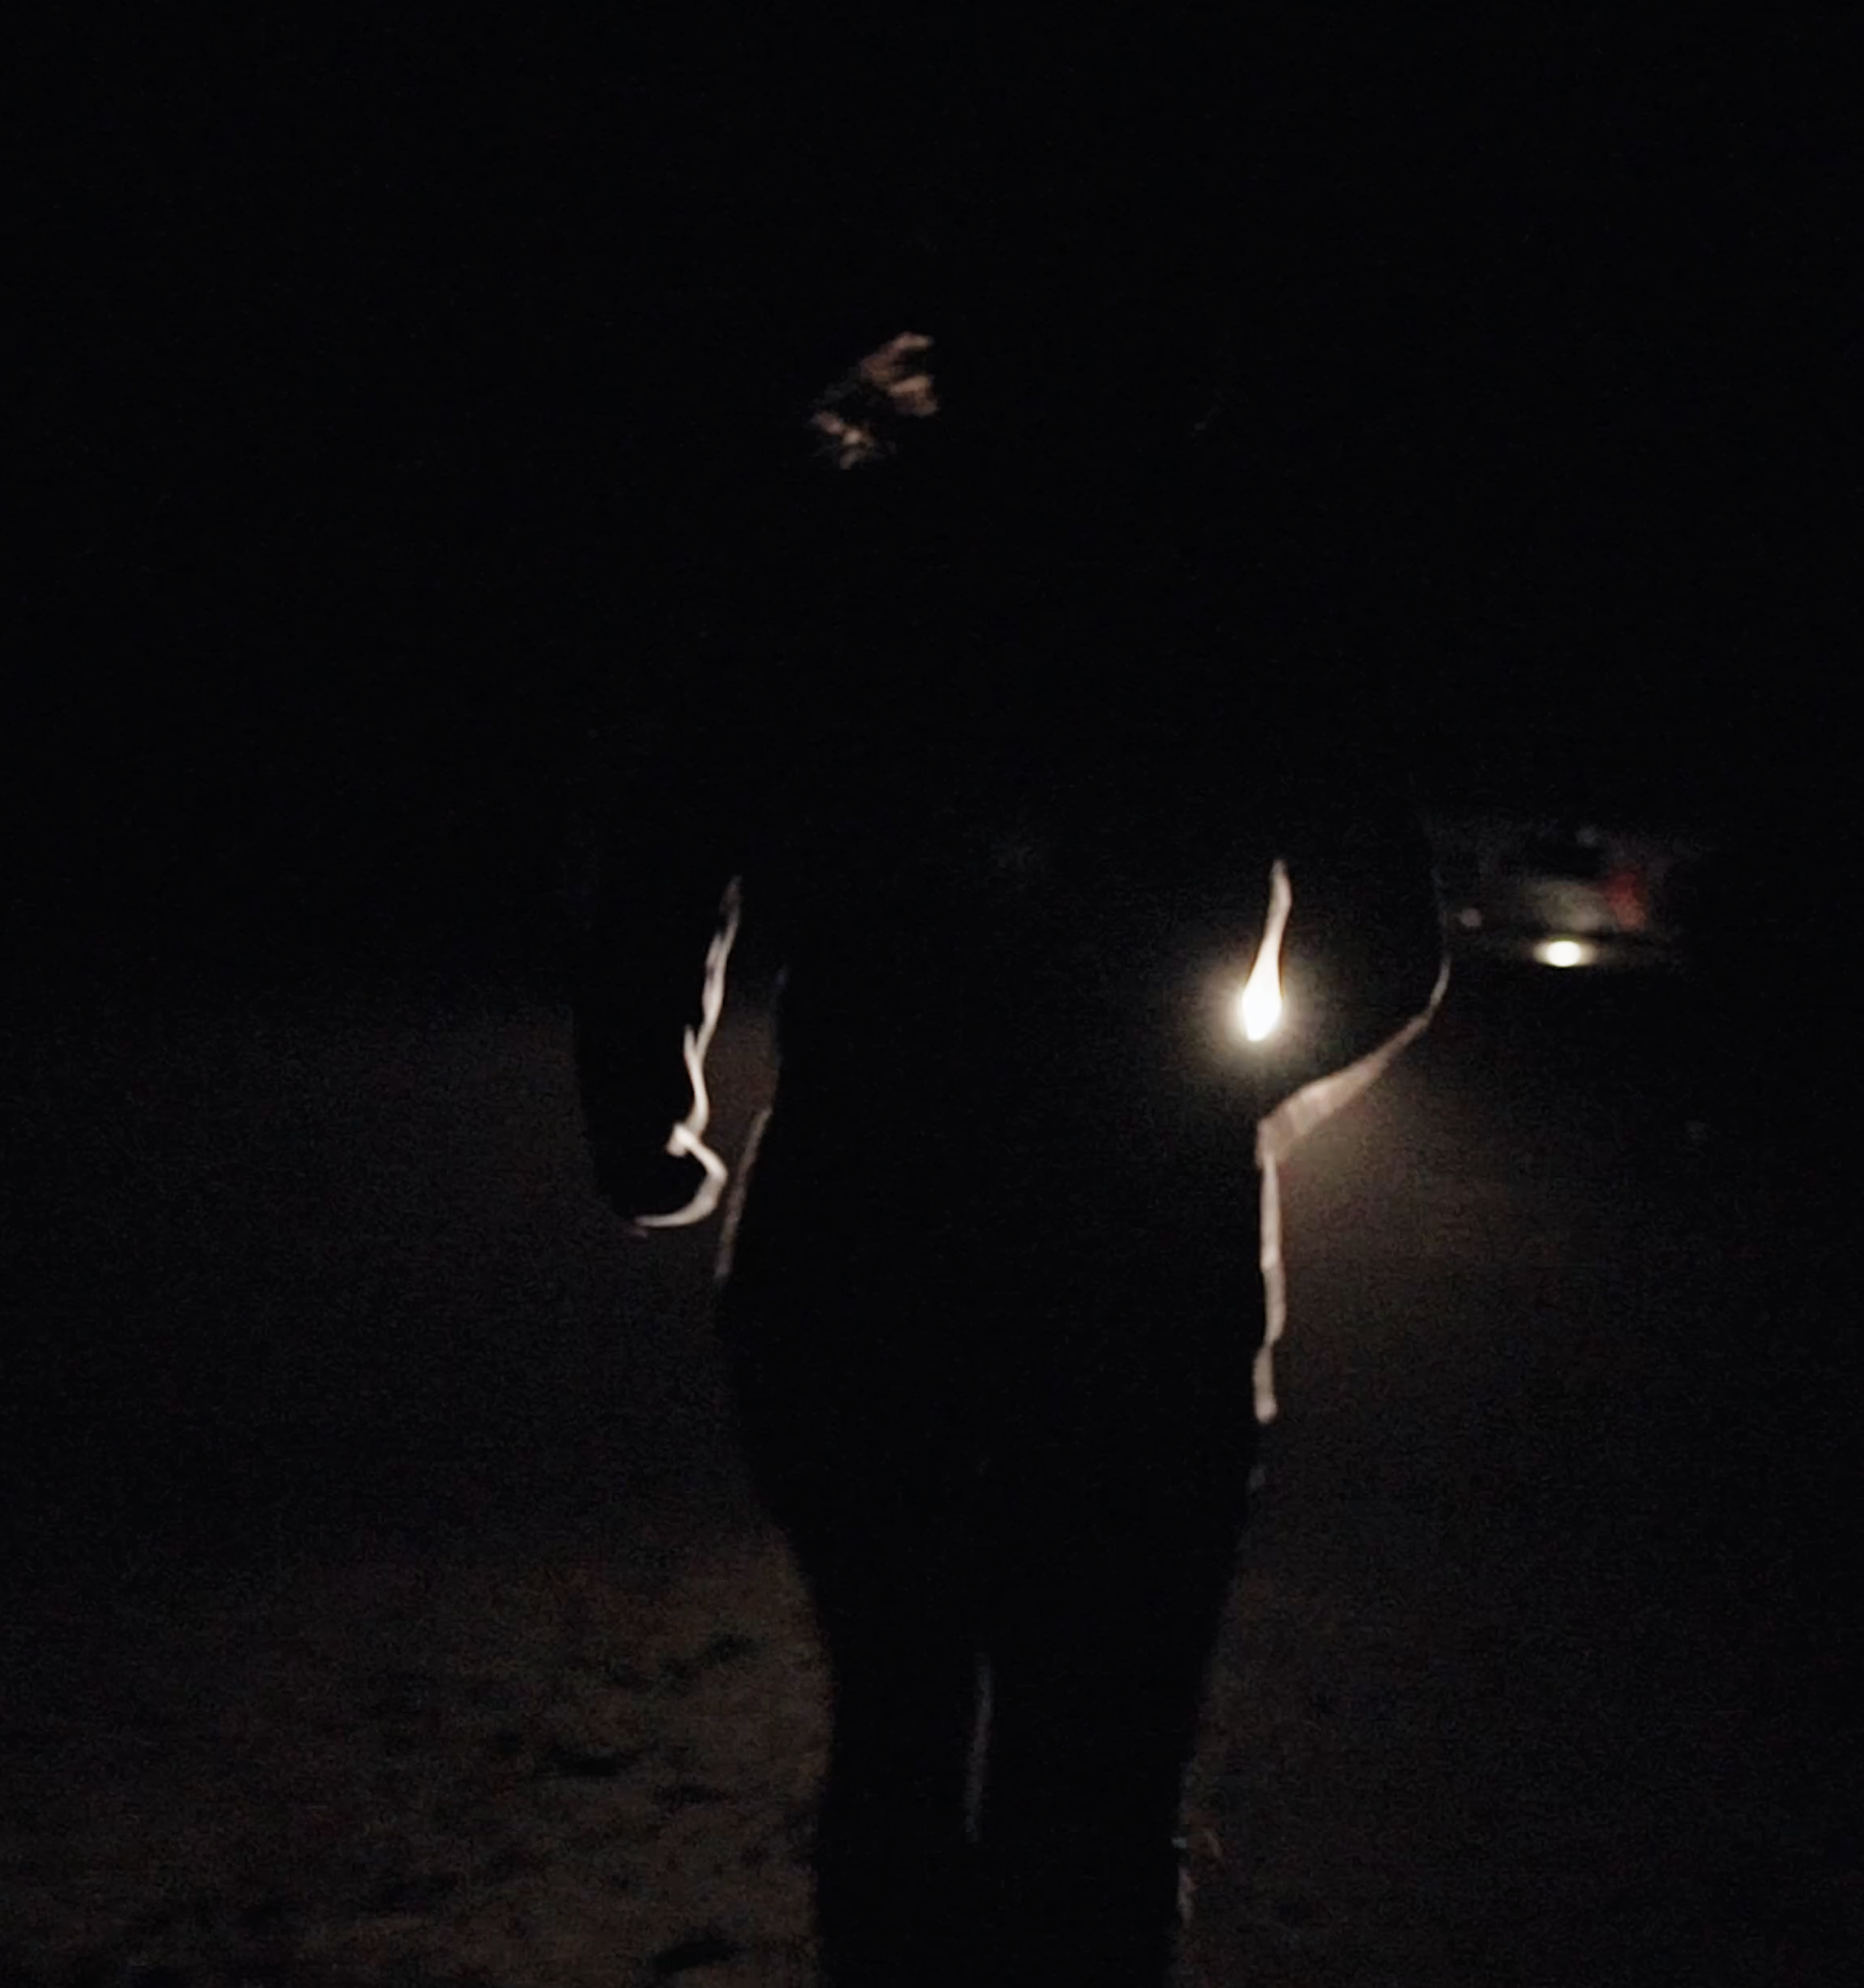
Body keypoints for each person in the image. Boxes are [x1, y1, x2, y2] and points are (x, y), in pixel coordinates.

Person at [573, 180, 1445, 1987]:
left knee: (899, 1726)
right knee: (1098, 1780)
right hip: (1145, 1273)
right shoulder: (1244, 589)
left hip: (855, 1236)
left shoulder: (836, 566)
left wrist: (645, 1118)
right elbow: (1385, 947)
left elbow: (664, 854)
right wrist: (1219, 1109)